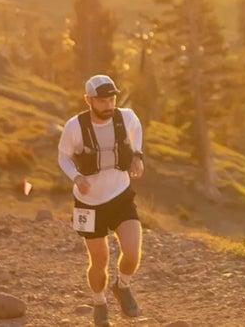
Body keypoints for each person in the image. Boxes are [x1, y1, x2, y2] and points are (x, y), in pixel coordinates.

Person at [57, 75, 145, 327]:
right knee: (99, 261)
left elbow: (136, 131)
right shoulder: (75, 127)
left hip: (120, 195)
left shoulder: (126, 118)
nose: (108, 105)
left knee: (132, 252)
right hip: (88, 203)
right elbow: (63, 157)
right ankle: (99, 302)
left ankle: (122, 285)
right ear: (88, 100)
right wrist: (76, 177)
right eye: (102, 100)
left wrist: (137, 156)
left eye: (112, 99)